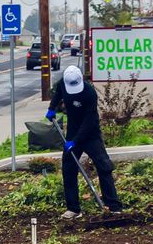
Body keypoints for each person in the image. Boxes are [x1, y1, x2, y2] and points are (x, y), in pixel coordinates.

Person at [45, 60, 123, 215]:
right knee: (68, 169)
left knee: (104, 166)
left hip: (91, 134)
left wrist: (76, 141)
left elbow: (89, 120)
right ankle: (73, 208)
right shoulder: (64, 84)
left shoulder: (89, 92)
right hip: (73, 132)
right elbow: (58, 93)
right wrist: (51, 108)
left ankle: (114, 206)